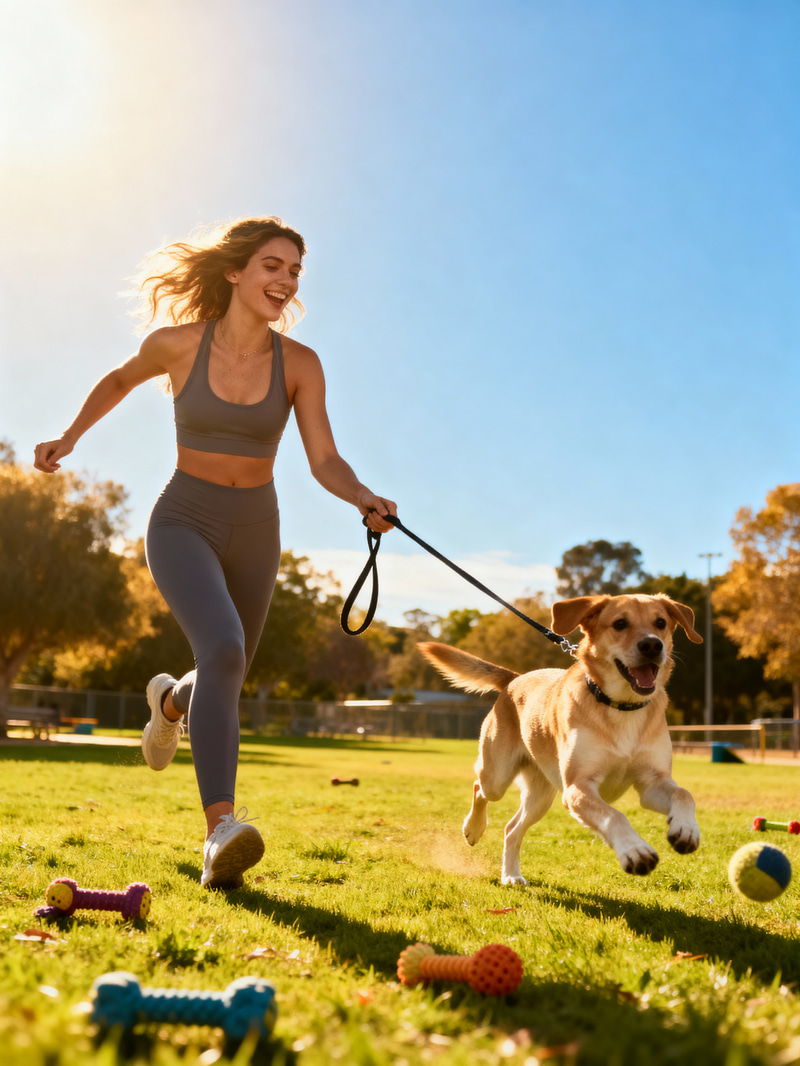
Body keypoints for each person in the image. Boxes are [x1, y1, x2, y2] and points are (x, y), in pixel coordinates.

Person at [34, 216, 396, 889]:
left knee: (224, 668)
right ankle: (220, 831)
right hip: (183, 519)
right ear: (235, 271)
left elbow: (323, 457)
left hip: (257, 526)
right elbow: (118, 380)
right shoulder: (177, 345)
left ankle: (171, 702)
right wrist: (70, 435)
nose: (285, 281)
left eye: (294, 272)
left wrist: (362, 496)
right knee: (225, 651)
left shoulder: (301, 364)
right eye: (272, 266)